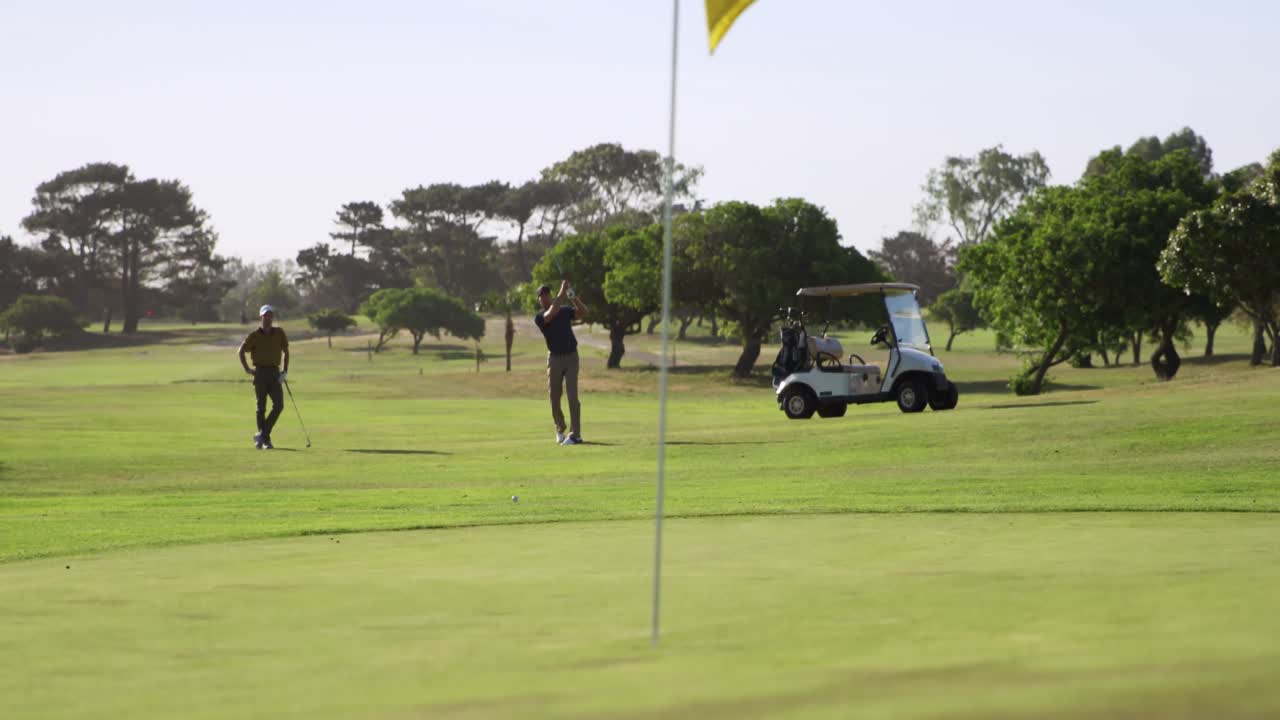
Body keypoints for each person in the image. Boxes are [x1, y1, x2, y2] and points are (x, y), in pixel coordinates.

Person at [535, 280, 588, 445]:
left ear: (550, 295)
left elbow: (584, 312)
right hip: (554, 359)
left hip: (572, 357)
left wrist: (573, 297)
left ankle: (576, 435)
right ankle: (560, 428)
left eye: (546, 295)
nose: (544, 298)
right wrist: (562, 291)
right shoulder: (539, 317)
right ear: (539, 300)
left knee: (573, 396)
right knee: (554, 396)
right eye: (541, 296)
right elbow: (551, 314)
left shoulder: (564, 311)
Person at [237, 304, 290, 449]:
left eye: (270, 315)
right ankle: (265, 440)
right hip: (260, 373)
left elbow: (286, 351)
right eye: (266, 315)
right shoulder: (254, 335)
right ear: (261, 317)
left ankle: (262, 435)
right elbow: (241, 351)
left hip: (274, 373)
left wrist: (284, 371)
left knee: (279, 405)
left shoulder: (279, 333)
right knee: (261, 408)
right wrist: (247, 369)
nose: (269, 317)